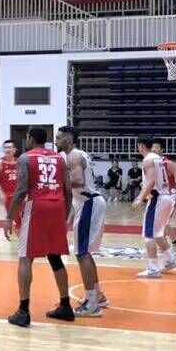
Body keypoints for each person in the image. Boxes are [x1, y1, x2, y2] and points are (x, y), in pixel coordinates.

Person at [5, 127, 74, 327]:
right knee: (55, 256)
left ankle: (23, 311)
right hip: (58, 205)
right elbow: (68, 190)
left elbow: (21, 191)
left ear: (31, 139)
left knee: (25, 257)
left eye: (27, 137)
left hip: (37, 206)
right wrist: (65, 214)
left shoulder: (26, 158)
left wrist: (9, 218)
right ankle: (65, 306)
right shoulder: (59, 158)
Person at [56, 126, 107, 317]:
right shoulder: (76, 155)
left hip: (88, 202)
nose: (56, 141)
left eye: (59, 138)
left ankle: (92, 304)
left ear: (68, 140)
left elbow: (78, 181)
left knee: (82, 253)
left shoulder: (74, 156)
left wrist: (56, 183)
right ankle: (98, 296)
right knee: (84, 253)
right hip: (85, 203)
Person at [132, 137, 176, 279]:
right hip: (166, 197)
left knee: (148, 235)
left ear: (141, 146)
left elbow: (152, 181)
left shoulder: (148, 159)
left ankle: (153, 268)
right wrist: (141, 196)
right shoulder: (158, 158)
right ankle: (171, 260)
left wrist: (141, 198)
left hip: (157, 198)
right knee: (158, 233)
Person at [151, 139, 176, 260]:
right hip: (160, 195)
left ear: (162, 150)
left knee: (164, 223)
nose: (154, 149)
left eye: (156, 147)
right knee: (157, 223)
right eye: (153, 147)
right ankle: (164, 245)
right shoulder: (152, 162)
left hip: (170, 195)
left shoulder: (168, 163)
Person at [0, 139, 18, 230]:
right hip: (8, 198)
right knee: (16, 223)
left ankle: (25, 239)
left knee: (24, 223)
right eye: (5, 148)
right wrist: (0, 193)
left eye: (10, 147)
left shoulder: (20, 162)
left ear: (14, 149)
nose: (7, 149)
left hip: (20, 197)